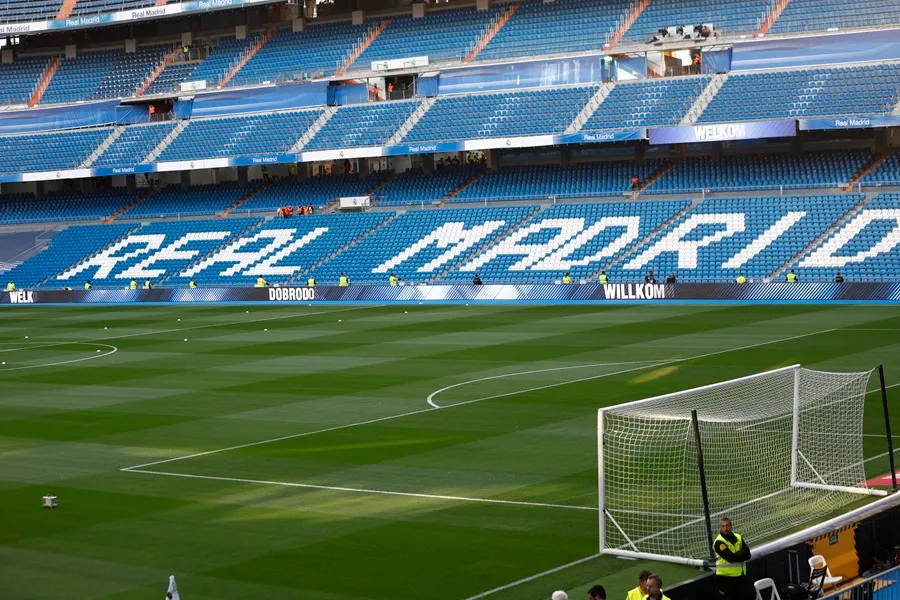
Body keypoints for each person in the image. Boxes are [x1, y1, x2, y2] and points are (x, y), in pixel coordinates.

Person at [714, 517, 751, 600]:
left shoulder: (738, 537)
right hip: (725, 579)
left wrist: (736, 555)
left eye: (727, 525)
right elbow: (730, 558)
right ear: (720, 528)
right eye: (723, 526)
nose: (725, 528)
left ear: (731, 526)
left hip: (740, 576)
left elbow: (748, 554)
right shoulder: (719, 542)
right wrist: (741, 554)